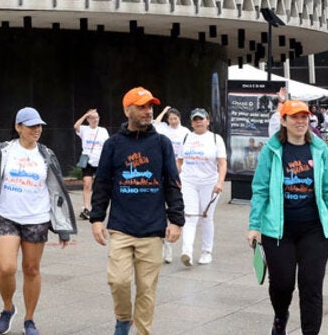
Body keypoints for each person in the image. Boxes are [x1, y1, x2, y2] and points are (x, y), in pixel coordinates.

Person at [0, 107, 76, 335]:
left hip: (37, 219)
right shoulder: (4, 152)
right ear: (18, 127)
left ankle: (29, 320)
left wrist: (63, 228)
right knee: (6, 268)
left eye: (39, 125)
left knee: (31, 269)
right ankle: (8, 307)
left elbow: (58, 192)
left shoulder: (47, 155)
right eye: (31, 125)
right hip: (6, 216)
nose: (37, 129)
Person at [247, 99, 328, 335]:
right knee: (282, 286)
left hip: (314, 231)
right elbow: (260, 188)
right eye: (294, 117)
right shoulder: (271, 150)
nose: (301, 121)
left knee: (311, 287)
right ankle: (280, 317)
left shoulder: (319, 149)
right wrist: (254, 225)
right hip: (278, 232)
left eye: (304, 117)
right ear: (283, 121)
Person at [90, 87, 183, 335]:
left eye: (150, 107)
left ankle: (143, 332)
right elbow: (103, 183)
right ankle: (122, 319)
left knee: (146, 290)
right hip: (121, 227)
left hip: (152, 229)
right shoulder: (113, 144)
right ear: (127, 110)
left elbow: (172, 182)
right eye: (141, 107)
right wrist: (96, 219)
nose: (148, 111)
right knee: (118, 281)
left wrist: (176, 219)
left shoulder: (162, 143)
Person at [177, 108, 227, 266]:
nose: (198, 122)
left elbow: (222, 163)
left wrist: (220, 182)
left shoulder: (215, 138)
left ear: (208, 121)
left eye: (201, 119)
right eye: (195, 119)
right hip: (189, 182)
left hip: (209, 183)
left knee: (206, 217)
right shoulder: (186, 137)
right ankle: (187, 252)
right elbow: (179, 160)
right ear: (191, 123)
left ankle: (206, 252)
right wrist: (177, 177)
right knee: (190, 216)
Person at [153, 105, 188, 264]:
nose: (173, 121)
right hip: (162, 170)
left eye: (175, 118)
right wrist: (164, 110)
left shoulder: (185, 132)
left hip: (178, 172)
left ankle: (169, 246)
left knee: (172, 207)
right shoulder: (164, 130)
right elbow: (155, 124)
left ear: (180, 118)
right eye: (170, 118)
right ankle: (163, 248)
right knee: (160, 210)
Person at [74, 108, 110, 220]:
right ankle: (87, 207)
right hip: (88, 160)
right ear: (88, 119)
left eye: (97, 117)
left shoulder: (103, 130)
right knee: (87, 183)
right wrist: (85, 114)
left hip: (100, 160)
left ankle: (98, 207)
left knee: (100, 185)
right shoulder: (84, 129)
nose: (96, 120)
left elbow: (107, 145)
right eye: (93, 118)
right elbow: (76, 126)